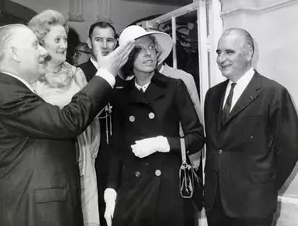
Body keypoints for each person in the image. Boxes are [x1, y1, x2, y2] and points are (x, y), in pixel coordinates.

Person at [0, 23, 134, 226]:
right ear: (15, 53)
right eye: (35, 45)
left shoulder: (11, 91)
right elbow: (67, 121)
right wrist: (106, 74)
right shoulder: (7, 95)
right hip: (34, 214)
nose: (43, 52)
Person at [104, 25, 204, 226]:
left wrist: (164, 143)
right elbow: (117, 149)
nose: (149, 53)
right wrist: (111, 191)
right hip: (132, 189)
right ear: (128, 57)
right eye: (140, 49)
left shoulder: (175, 87)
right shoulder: (121, 94)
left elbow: (197, 137)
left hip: (168, 190)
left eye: (151, 47)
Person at [204, 28, 298, 226]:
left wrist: (264, 187)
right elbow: (216, 148)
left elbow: (290, 149)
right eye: (218, 52)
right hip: (215, 203)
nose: (221, 59)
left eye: (229, 52)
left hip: (253, 205)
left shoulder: (273, 93)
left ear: (248, 54)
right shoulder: (212, 95)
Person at [28, 9, 99, 226]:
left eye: (65, 39)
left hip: (84, 157)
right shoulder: (32, 78)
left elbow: (91, 116)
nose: (63, 45)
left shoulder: (77, 73)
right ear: (41, 42)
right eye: (57, 39)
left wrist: (90, 152)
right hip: (51, 161)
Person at [77, 21, 118, 226]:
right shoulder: (78, 74)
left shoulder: (123, 74)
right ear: (89, 43)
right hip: (92, 155)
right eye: (98, 39)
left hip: (120, 155)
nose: (104, 45)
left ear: (116, 43)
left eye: (109, 40)